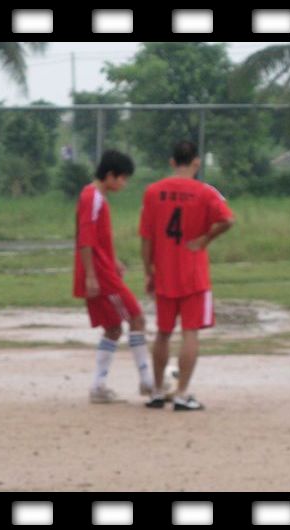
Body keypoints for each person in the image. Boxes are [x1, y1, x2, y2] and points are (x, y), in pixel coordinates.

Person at [140, 141, 234, 411]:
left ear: (172, 162)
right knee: (190, 333)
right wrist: (205, 239)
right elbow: (228, 220)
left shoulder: (153, 192)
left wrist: (148, 271)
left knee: (163, 332)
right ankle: (181, 394)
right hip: (193, 274)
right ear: (197, 162)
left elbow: (146, 238)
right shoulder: (205, 192)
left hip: (164, 272)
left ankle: (157, 392)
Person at [73, 150, 153, 404]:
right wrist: (91, 275)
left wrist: (113, 259)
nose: (124, 184)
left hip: (104, 269)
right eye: (123, 178)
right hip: (101, 275)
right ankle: (148, 382)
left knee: (113, 327)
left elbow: (97, 238)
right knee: (137, 318)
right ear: (110, 175)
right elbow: (85, 239)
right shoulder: (92, 197)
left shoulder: (95, 197)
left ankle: (98, 386)